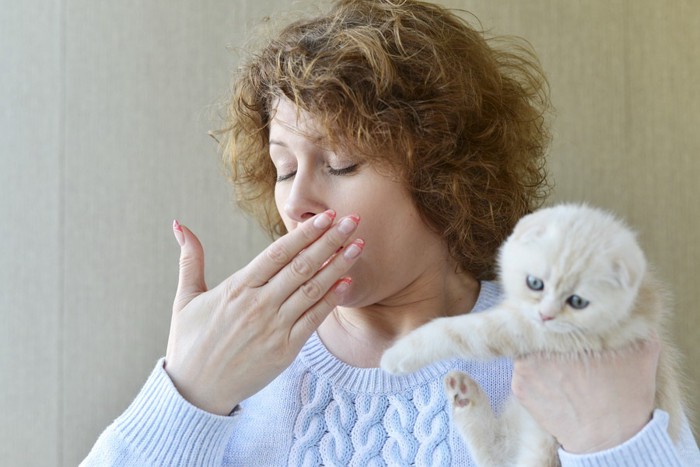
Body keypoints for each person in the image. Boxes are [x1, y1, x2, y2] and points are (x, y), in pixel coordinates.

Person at [83, 0, 700, 465]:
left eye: (341, 164)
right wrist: (186, 394)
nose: (295, 200)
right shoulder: (235, 360)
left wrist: (615, 441)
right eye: (284, 167)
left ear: (443, 174)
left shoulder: (560, 338)